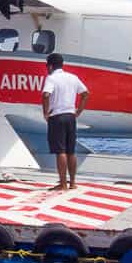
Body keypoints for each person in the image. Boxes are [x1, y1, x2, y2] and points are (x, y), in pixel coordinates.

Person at [41, 51, 88, 190]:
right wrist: (78, 111)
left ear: (50, 66)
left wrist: (45, 113)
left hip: (57, 117)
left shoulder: (51, 79)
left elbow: (45, 95)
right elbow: (85, 93)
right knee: (71, 151)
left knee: (60, 151)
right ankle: (72, 183)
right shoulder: (73, 77)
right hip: (71, 117)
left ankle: (62, 184)